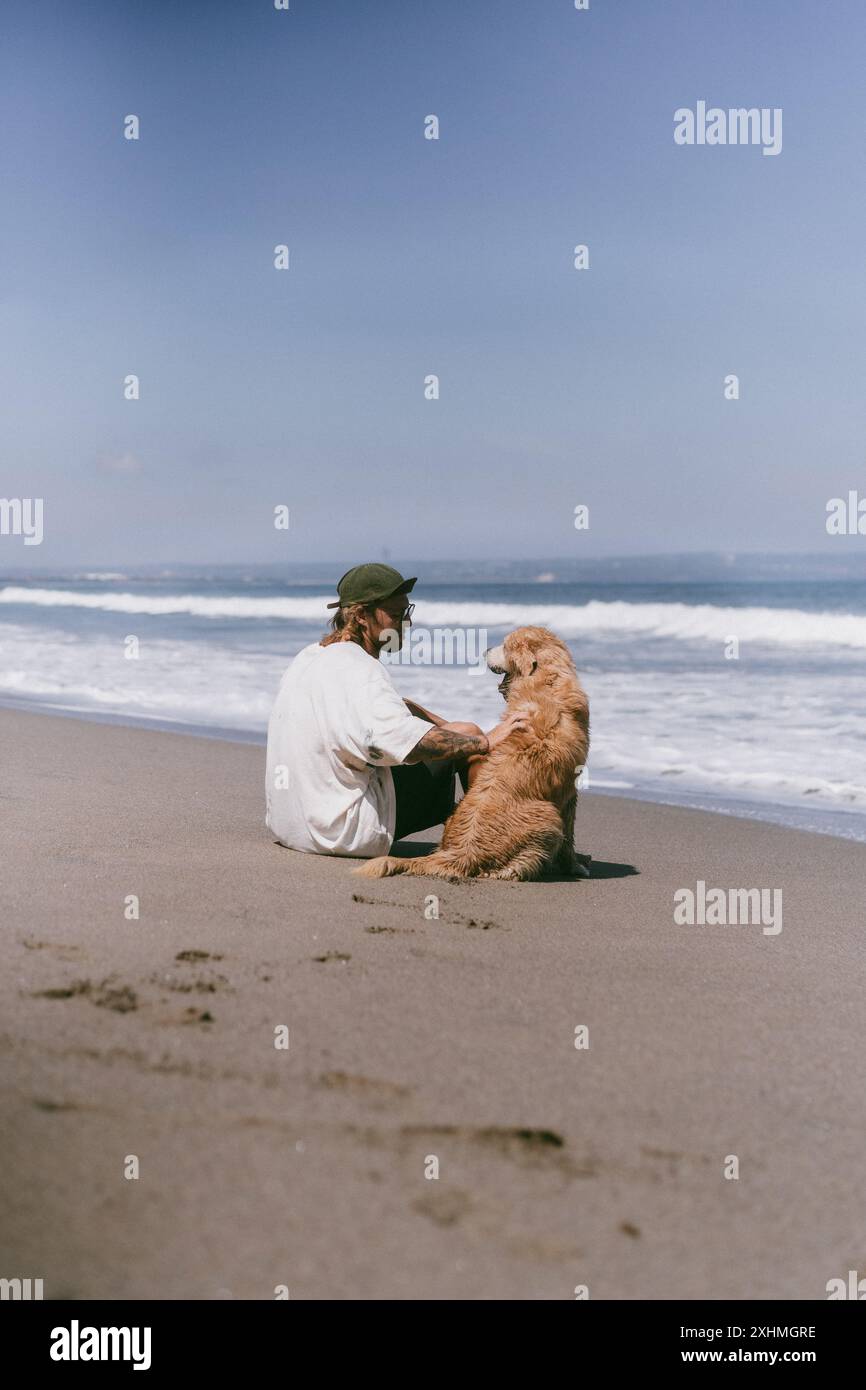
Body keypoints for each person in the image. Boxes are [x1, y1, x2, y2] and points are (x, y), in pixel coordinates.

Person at [265, 563, 526, 857]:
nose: (406, 623)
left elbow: (394, 709)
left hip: (292, 825)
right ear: (362, 616)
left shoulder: (313, 656)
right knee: (469, 740)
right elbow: (410, 746)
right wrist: (485, 740)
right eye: (396, 615)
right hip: (343, 832)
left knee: (456, 729)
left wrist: (446, 724)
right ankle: (494, 846)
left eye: (407, 612)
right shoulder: (361, 672)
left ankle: (475, 826)